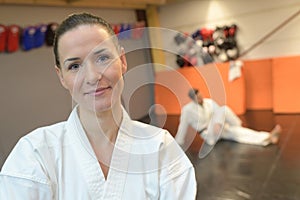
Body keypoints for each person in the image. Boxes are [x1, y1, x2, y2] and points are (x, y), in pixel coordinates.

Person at [0, 13, 196, 199]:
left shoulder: (161, 148)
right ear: (61, 76)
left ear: (122, 61)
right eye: (74, 66)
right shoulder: (34, 155)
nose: (93, 76)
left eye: (102, 58)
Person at [175, 88, 281, 156]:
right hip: (208, 133)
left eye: (200, 96)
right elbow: (182, 126)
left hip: (219, 128)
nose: (200, 98)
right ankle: (235, 125)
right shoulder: (187, 110)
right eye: (197, 98)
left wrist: (219, 124)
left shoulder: (208, 102)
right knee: (224, 109)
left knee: (239, 134)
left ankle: (268, 138)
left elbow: (218, 114)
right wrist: (177, 144)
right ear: (192, 99)